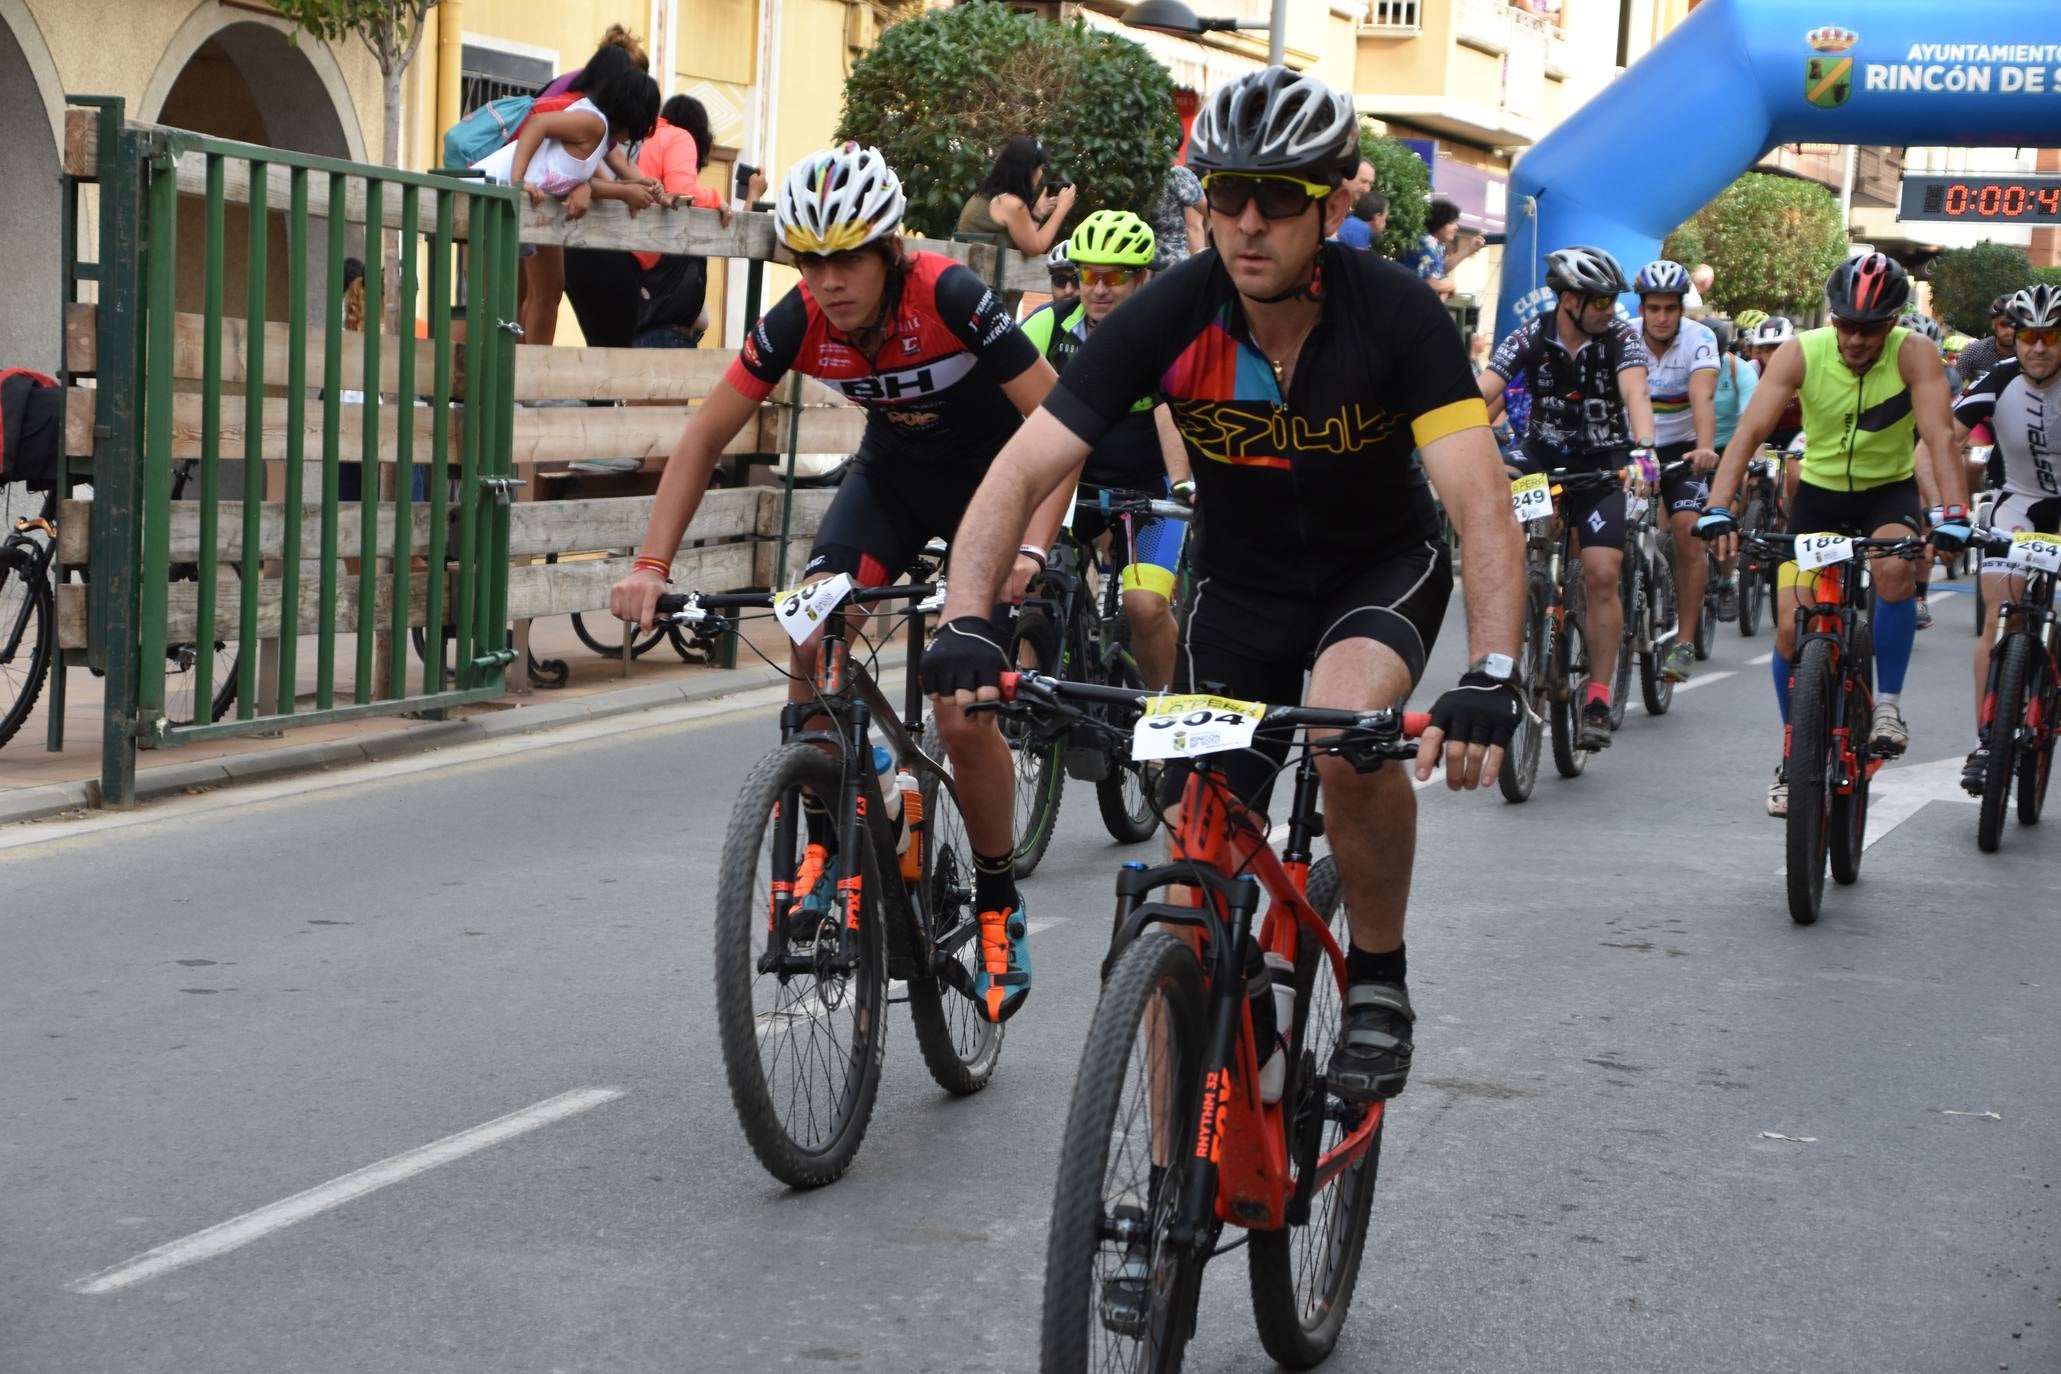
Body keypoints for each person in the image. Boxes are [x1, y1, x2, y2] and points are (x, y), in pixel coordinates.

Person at [921, 66, 1524, 1112]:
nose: (1247, 222)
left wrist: (1495, 668)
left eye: (1279, 198)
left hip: (1374, 573)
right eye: (1225, 194)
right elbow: (1020, 471)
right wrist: (968, 618)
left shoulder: (1398, 317)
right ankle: (1152, 1230)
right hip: (1240, 592)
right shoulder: (1170, 313)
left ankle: (1376, 977)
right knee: (1180, 895)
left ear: (1332, 203)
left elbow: (1479, 505)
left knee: (1343, 731)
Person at [608, 144, 1064, 1024]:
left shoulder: (952, 296)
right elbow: (703, 437)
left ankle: (1000, 900)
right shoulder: (797, 319)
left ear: (888, 250)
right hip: (890, 482)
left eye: (847, 257)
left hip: (991, 490)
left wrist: (1032, 551)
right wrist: (650, 567)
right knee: (812, 636)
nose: (828, 280)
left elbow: (1056, 426)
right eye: (811, 260)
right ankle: (833, 833)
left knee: (960, 710)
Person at [1698, 254, 1970, 817]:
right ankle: (1793, 754)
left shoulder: (1915, 355)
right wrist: (1718, 507)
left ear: (1892, 322)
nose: (1855, 338)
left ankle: (1888, 704)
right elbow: (1749, 431)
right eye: (1846, 323)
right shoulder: (1803, 351)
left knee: (1895, 570)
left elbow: (1941, 437)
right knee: (1792, 632)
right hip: (1818, 496)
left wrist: (1953, 514)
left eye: (1870, 328)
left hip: (1886, 493)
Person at [1480, 245, 1656, 751]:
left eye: (1610, 300)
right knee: (1501, 495)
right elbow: (1485, 388)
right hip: (1541, 456)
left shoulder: (1621, 336)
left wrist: (1644, 451)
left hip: (1603, 465)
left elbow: (1636, 394)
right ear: (1569, 300)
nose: (1608, 309)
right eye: (1599, 301)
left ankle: (1598, 695)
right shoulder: (1531, 334)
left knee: (1601, 573)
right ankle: (1515, 625)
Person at [1017, 210, 1192, 692]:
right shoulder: (1048, 328)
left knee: (1145, 607)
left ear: (1142, 279)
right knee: (1033, 581)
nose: (1099, 288)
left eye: (1115, 277)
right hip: (1071, 486)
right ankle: (1031, 689)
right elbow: (1006, 404)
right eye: (1090, 275)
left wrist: (1183, 485)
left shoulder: (1163, 334)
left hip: (1147, 488)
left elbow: (1169, 413)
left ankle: (1164, 719)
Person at [1951, 285, 2061, 793]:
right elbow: (1943, 435)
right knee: (2000, 618)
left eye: (2052, 336)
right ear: (2014, 339)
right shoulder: (1999, 377)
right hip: (2017, 501)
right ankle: (1987, 740)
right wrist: (1943, 507)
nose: (2038, 348)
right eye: (2028, 337)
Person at [497, 32, 663, 346]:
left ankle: (519, 385)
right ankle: (521, 386)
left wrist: (647, 186)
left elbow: (606, 160)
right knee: (531, 295)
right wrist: (592, 186)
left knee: (531, 294)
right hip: (515, 190)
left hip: (530, 192)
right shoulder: (586, 108)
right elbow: (568, 161)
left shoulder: (601, 111)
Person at [562, 94, 744, 351]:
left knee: (606, 357)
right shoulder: (680, 136)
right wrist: (715, 197)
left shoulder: (640, 136)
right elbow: (680, 190)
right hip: (638, 263)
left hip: (593, 253)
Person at [1630, 259, 1723, 673]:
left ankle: (1684, 640)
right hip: (1633, 451)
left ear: (1681, 309)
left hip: (1683, 451)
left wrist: (1704, 448)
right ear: (1642, 308)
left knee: (1688, 530)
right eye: (1654, 308)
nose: (1662, 317)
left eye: (1670, 308)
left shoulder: (1700, 339)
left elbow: (1702, 399)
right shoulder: (1623, 338)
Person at [957, 135, 1076, 257]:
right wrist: (1062, 209)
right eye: (1040, 168)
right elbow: (1035, 248)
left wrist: (1038, 212)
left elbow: (1024, 241)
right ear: (1028, 171)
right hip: (983, 271)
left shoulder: (988, 196)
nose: (1041, 174)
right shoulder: (1011, 204)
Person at [1405, 199, 1481, 299]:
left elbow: (1441, 269)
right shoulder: (1428, 243)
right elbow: (1427, 282)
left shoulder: (1437, 244)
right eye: (1451, 223)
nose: (1456, 227)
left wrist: (1469, 249)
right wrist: (1450, 285)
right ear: (1438, 223)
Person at [1146, 163, 1205, 269]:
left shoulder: (1121, 177)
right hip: (1173, 263)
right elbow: (1194, 226)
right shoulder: (1177, 176)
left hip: (1133, 262)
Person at [1954, 294, 2018, 384]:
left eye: (2015, 325)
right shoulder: (1973, 352)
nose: (2010, 331)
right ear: (1993, 324)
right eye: (2004, 324)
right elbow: (1953, 389)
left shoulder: (2029, 355)